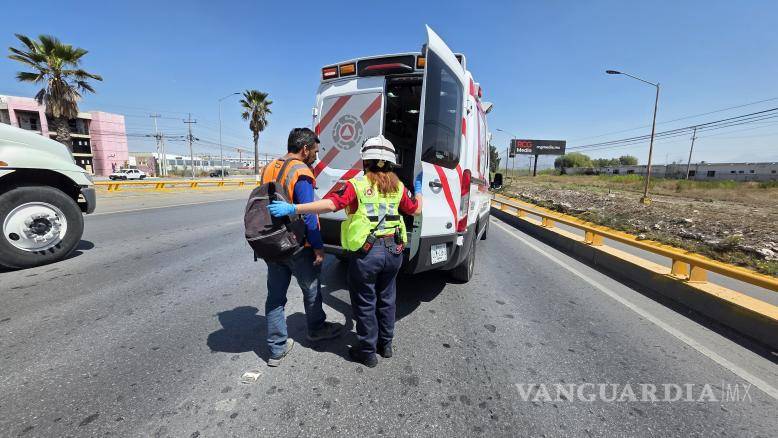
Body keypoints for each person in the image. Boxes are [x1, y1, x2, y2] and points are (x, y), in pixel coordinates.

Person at [268, 135, 423, 367]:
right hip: (394, 252)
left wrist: (294, 207)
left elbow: (331, 205)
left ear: (365, 162)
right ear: (391, 164)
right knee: (387, 298)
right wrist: (419, 189)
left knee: (365, 302)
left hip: (367, 254)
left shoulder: (355, 185)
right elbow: (416, 210)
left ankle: (368, 351)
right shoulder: (399, 187)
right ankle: (386, 344)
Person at [260, 127, 342, 367]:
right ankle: (316, 329)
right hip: (296, 245)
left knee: (275, 297)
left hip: (272, 243)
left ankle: (276, 349)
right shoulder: (301, 172)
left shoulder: (270, 166)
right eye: (314, 151)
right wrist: (317, 246)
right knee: (312, 290)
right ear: (304, 149)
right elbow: (310, 213)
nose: (316, 156)